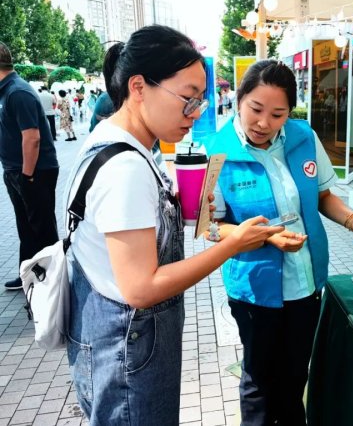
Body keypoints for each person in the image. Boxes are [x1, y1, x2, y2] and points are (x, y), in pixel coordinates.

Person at [63, 25, 282, 425]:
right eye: (187, 98)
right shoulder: (126, 167)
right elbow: (141, 288)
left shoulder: (117, 141)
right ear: (139, 87)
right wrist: (232, 244)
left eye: (200, 100)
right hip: (127, 352)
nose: (195, 113)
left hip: (113, 344)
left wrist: (175, 207)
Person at [203, 60, 353, 426]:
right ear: (239, 99)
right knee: (258, 380)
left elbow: (322, 196)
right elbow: (210, 228)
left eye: (277, 114)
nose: (263, 123)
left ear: (289, 113)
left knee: (295, 373)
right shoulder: (216, 152)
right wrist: (265, 236)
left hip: (305, 284)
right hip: (254, 290)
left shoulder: (303, 138)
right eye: (255, 109)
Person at [0, 42, 59, 291]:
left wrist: (27, 175)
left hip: (34, 171)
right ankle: (28, 274)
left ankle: (55, 281)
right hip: (17, 170)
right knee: (26, 226)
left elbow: (32, 137)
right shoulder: (6, 92)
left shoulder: (17, 92)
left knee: (42, 228)